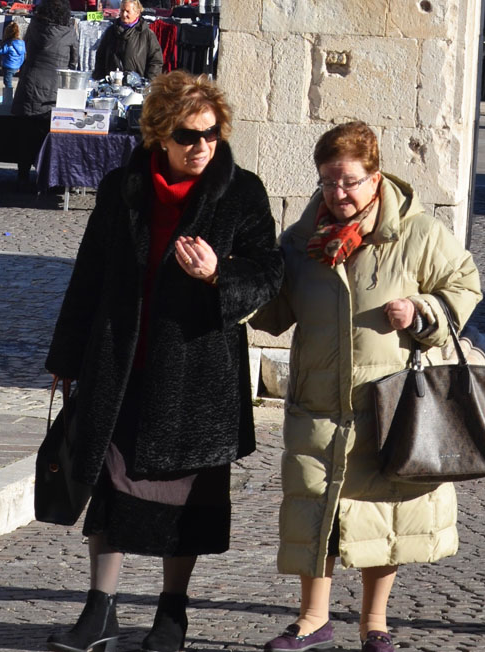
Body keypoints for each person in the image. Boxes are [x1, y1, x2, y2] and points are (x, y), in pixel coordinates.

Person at [44, 70, 283, 652]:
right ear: (159, 135)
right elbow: (89, 279)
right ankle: (99, 611)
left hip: (198, 374)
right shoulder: (121, 188)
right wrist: (67, 357)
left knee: (188, 501)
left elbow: (268, 274)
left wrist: (217, 275)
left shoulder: (242, 192)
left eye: (210, 133)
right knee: (109, 486)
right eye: (187, 134)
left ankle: (171, 616)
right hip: (119, 366)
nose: (201, 145)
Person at [251, 121, 482, 652]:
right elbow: (275, 311)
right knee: (317, 510)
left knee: (386, 514)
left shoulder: (416, 232)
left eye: (350, 182)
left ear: (375, 177)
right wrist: (229, 284)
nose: (338, 194)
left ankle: (374, 623)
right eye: (328, 182)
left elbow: (464, 283)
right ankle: (313, 619)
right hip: (319, 400)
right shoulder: (301, 240)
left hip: (389, 402)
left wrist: (423, 310)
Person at [11, 0, 78, 186]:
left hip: (30, 83)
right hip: (55, 89)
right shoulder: (69, 32)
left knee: (25, 133)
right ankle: (46, 176)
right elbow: (74, 62)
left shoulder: (34, 27)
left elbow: (27, 50)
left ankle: (22, 175)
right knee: (49, 134)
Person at [93, 0, 163, 81]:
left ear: (137, 12)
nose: (124, 14)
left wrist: (149, 82)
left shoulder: (147, 34)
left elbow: (156, 61)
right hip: (111, 85)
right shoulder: (111, 31)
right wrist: (99, 78)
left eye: (127, 11)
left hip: (137, 86)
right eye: (122, 10)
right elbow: (100, 56)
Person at [0, 22, 26, 97]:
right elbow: (22, 56)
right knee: (10, 83)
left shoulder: (9, 43)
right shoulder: (21, 43)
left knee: (8, 84)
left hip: (8, 66)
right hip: (16, 66)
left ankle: (8, 100)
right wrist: (19, 66)